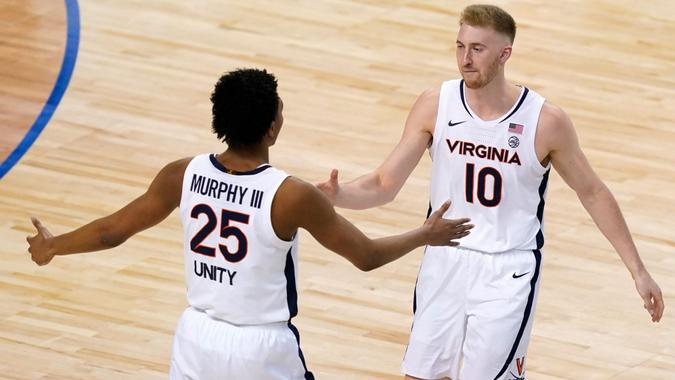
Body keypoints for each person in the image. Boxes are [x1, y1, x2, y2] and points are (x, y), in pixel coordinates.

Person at [25, 68, 474, 380]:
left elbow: (111, 231)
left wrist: (53, 245)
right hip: (261, 349)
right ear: (272, 129)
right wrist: (424, 235)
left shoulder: (183, 173)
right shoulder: (292, 194)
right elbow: (367, 257)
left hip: (195, 338)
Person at [317, 4, 664, 380]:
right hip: (444, 259)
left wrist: (638, 271)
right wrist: (339, 195)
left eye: (477, 49)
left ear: (505, 53)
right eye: (460, 46)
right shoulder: (435, 104)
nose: (465, 59)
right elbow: (385, 183)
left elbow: (593, 192)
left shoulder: (545, 121)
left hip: (507, 269)